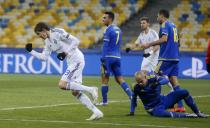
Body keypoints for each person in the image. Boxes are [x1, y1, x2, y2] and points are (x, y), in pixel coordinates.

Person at [25, 22, 103, 120]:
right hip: (71, 62)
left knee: (62, 84)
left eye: (39, 34)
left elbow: (76, 41)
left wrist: (66, 52)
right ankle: (97, 112)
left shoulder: (57, 32)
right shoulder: (47, 42)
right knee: (75, 92)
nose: (39, 36)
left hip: (76, 59)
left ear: (44, 30)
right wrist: (31, 51)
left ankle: (91, 89)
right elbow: (44, 58)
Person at [140, 9, 184, 112]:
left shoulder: (164, 25)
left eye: (158, 16)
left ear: (162, 16)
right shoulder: (174, 26)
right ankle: (181, 106)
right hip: (175, 57)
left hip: (166, 57)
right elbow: (179, 43)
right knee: (174, 82)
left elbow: (164, 39)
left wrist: (149, 44)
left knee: (154, 76)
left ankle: (156, 103)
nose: (157, 18)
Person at [127, 71, 209, 118]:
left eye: (141, 81)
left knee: (184, 92)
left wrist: (157, 83)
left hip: (163, 100)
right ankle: (188, 115)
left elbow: (166, 80)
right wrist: (132, 112)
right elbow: (133, 99)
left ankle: (198, 113)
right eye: (138, 82)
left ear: (145, 77)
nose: (140, 83)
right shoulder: (136, 88)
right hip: (153, 108)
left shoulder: (152, 78)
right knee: (165, 115)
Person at [97, 11, 133, 105]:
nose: (103, 19)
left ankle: (104, 102)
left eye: (105, 18)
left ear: (110, 19)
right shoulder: (119, 30)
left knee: (105, 79)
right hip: (117, 57)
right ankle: (131, 96)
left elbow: (105, 45)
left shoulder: (108, 30)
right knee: (119, 78)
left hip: (108, 57)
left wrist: (103, 58)